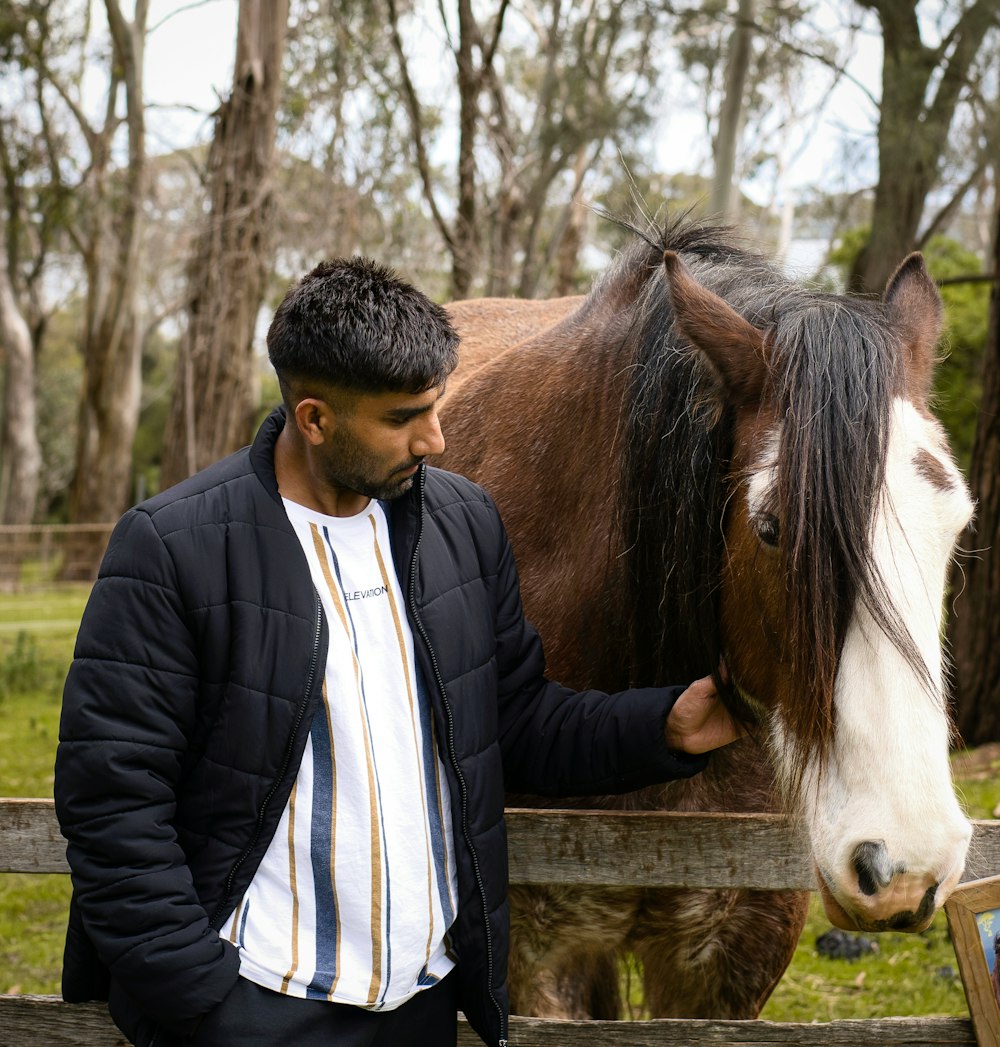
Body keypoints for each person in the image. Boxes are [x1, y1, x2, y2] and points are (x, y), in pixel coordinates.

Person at [54, 257, 742, 1047]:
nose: (436, 437)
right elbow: (111, 798)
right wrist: (197, 996)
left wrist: (665, 727)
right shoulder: (173, 547)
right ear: (314, 419)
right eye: (403, 417)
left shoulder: (462, 522)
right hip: (253, 1004)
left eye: (436, 405)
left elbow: (512, 722)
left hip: (419, 1004)